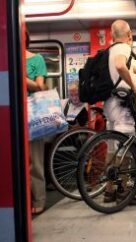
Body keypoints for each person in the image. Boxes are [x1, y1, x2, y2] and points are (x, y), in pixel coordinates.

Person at [103, 20, 136, 205]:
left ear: (111, 35)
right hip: (122, 106)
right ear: (129, 35)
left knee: (112, 149)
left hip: (110, 104)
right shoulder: (123, 48)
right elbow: (121, 66)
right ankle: (124, 191)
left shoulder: (111, 50)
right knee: (125, 150)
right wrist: (134, 87)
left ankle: (109, 191)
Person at [26, 30, 48, 215]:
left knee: (35, 160)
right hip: (9, 112)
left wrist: (21, 76)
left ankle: (38, 198)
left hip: (32, 113)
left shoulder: (36, 59)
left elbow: (40, 85)